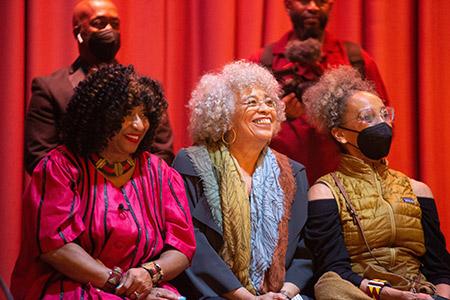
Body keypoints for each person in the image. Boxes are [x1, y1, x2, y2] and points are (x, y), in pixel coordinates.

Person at [11, 64, 196, 300]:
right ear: (99, 116)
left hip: (147, 286)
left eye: (145, 115)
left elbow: (182, 247)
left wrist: (149, 273)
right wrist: (126, 285)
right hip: (69, 285)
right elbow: (56, 248)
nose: (139, 125)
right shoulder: (59, 167)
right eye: (127, 114)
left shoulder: (161, 173)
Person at [302, 65, 450, 300]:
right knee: (330, 285)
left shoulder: (418, 189)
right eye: (367, 118)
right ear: (340, 134)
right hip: (364, 292)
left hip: (420, 292)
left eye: (384, 114)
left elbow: (440, 268)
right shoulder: (325, 192)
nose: (382, 124)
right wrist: (391, 294)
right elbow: (333, 268)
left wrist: (440, 298)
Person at [170, 60, 314, 300]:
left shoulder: (293, 173)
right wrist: (248, 299)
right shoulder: (191, 164)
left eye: (270, 102)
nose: (265, 109)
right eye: (252, 102)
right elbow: (194, 246)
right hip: (216, 294)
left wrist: (285, 295)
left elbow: (304, 251)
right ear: (224, 116)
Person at [24, 0, 175, 175]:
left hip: (134, 196)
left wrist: (126, 189)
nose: (109, 29)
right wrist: (94, 187)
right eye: (99, 23)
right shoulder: (51, 88)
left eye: (115, 24)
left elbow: (163, 153)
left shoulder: (146, 88)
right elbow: (38, 159)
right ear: (78, 32)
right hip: (75, 196)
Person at [249, 0, 389, 184]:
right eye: (305, 1)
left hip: (348, 184)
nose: (313, 7)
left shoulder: (355, 59)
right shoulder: (263, 61)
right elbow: (242, 128)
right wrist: (278, 115)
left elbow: (383, 124)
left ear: (330, 6)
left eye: (321, 2)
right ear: (288, 4)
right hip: (279, 184)